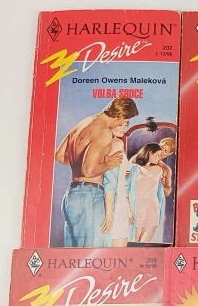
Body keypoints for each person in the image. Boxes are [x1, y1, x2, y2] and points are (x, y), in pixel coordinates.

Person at [55, 98, 139, 247]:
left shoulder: (84, 123)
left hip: (72, 196)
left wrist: (92, 161)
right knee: (92, 255)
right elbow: (88, 171)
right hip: (90, 197)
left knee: (73, 255)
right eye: (124, 121)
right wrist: (108, 164)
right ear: (119, 116)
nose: (122, 125)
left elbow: (60, 156)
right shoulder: (103, 131)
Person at [127, 142, 172, 243]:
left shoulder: (160, 170)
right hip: (137, 210)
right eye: (158, 154)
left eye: (164, 152)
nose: (160, 157)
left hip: (153, 210)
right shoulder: (133, 168)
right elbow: (126, 190)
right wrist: (128, 210)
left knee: (144, 244)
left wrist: (162, 212)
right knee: (134, 243)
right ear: (150, 153)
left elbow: (163, 193)